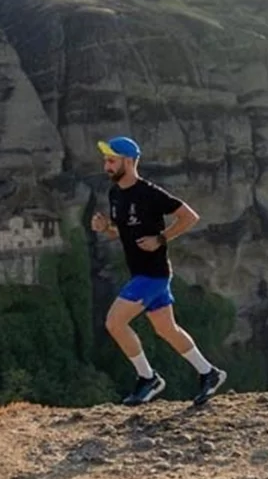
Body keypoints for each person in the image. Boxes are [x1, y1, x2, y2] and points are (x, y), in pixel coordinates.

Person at [89, 135, 228, 406]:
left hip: (152, 274)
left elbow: (189, 216)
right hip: (143, 273)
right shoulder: (115, 193)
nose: (106, 165)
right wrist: (106, 228)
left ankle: (147, 377)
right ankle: (209, 373)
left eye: (111, 160)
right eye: (105, 160)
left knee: (114, 322)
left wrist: (161, 239)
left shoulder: (149, 193)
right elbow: (125, 232)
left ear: (128, 162)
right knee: (167, 329)